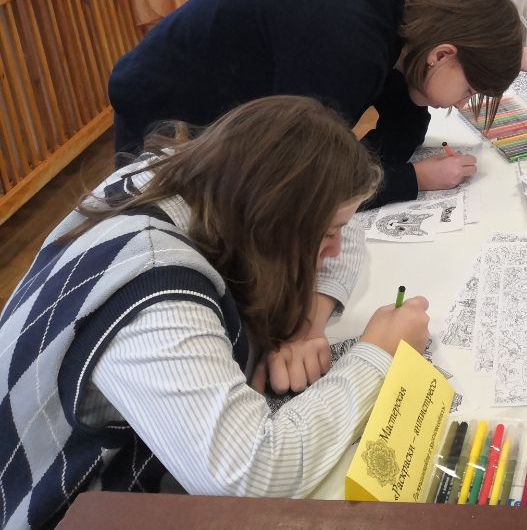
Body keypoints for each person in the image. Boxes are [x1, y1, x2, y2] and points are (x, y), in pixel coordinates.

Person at [0, 96, 432, 528]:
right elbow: (252, 475)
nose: (335, 249)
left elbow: (347, 231)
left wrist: (304, 325)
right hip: (63, 510)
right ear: (272, 225)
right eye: (326, 234)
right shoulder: (156, 294)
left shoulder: (181, 176)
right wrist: (379, 354)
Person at [108, 0, 524, 206]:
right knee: (160, 237)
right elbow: (298, 185)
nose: (461, 105)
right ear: (442, 54)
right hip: (165, 111)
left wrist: (384, 166)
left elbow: (401, 119)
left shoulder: (402, 14)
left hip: (210, 92)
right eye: (469, 90)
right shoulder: (348, 48)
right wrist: (413, 180)